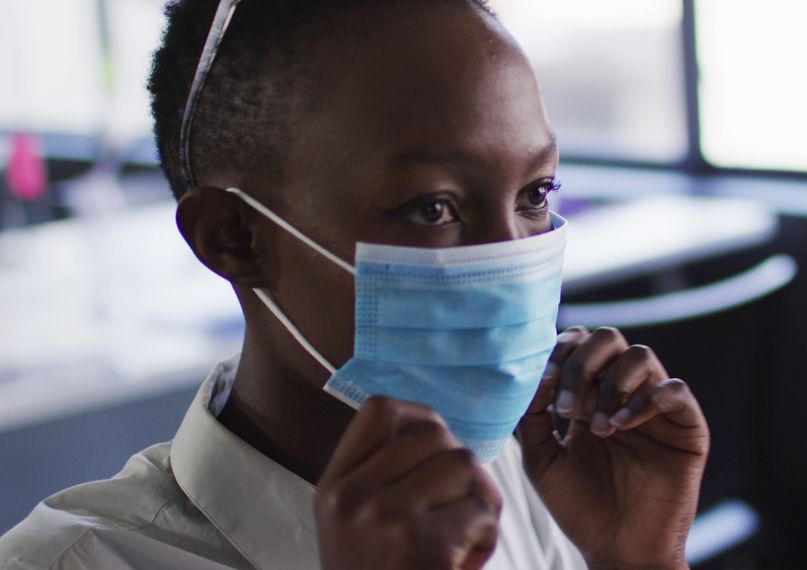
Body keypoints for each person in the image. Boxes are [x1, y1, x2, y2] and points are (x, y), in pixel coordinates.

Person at [0, 1, 709, 568]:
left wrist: (639, 562)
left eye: (535, 193)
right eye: (433, 208)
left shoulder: (525, 483)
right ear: (235, 237)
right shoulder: (76, 562)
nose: (511, 260)